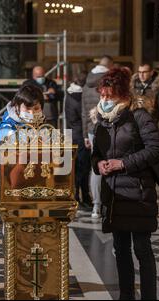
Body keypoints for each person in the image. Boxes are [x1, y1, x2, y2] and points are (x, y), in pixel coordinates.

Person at [91, 68, 159, 300]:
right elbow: (95, 153)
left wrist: (122, 164)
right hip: (114, 196)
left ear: (122, 95)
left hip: (138, 192)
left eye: (109, 96)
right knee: (120, 249)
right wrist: (99, 163)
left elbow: (155, 149)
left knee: (142, 248)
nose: (104, 100)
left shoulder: (139, 115)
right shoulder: (101, 120)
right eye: (102, 95)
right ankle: (126, 296)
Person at [82, 55, 114, 219]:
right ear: (110, 65)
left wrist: (85, 134)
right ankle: (110, 203)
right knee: (112, 163)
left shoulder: (87, 83)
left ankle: (96, 205)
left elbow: (83, 111)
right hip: (109, 126)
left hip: (92, 129)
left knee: (96, 165)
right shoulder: (110, 81)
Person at [65, 72, 92, 210]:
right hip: (80, 136)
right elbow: (84, 118)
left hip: (72, 134)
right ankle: (81, 197)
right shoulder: (79, 98)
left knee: (76, 168)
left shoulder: (70, 93)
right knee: (82, 168)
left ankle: (78, 196)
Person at [130, 63, 159, 131]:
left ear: (151, 73)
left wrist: (156, 129)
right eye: (139, 72)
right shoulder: (133, 88)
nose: (141, 75)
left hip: (151, 128)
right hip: (134, 128)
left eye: (144, 72)